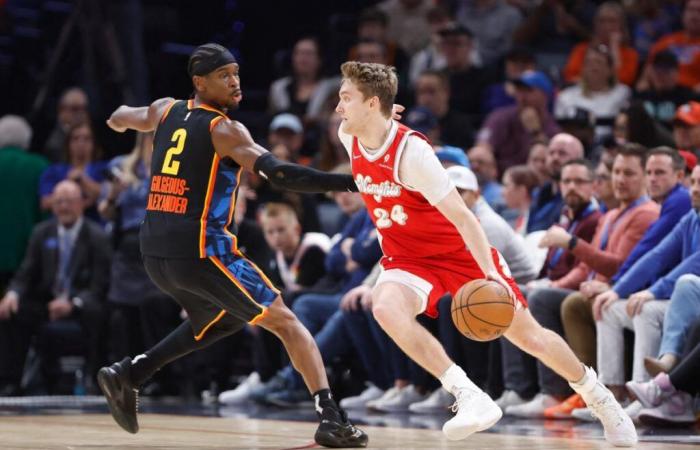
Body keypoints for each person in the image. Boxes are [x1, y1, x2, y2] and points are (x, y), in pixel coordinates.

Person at [335, 61, 636, 446]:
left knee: (530, 338)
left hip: (459, 252)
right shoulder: (350, 134)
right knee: (384, 307)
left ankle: (600, 398)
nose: (339, 108)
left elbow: (465, 218)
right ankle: (468, 395)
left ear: (372, 103)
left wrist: (491, 276)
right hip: (407, 258)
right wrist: (376, 117)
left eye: (346, 98)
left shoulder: (412, 154)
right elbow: (372, 121)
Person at [96, 43, 367, 448]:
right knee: (288, 324)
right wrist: (349, 181)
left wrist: (119, 124)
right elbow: (279, 173)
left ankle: (131, 373)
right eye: (225, 76)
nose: (235, 82)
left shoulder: (164, 110)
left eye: (237, 73)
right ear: (199, 82)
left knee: (220, 319)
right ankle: (331, 418)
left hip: (154, 252)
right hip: (202, 250)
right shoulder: (224, 129)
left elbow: (120, 117)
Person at [0, 180, 111, 395]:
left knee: (98, 311)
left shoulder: (97, 236)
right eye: (59, 202)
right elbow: (26, 273)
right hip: (47, 302)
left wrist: (72, 304)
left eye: (69, 201)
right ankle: (10, 381)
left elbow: (100, 285)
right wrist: (12, 294)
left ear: (82, 203)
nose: (64, 207)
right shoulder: (42, 232)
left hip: (81, 306)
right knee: (10, 312)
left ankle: (94, 378)